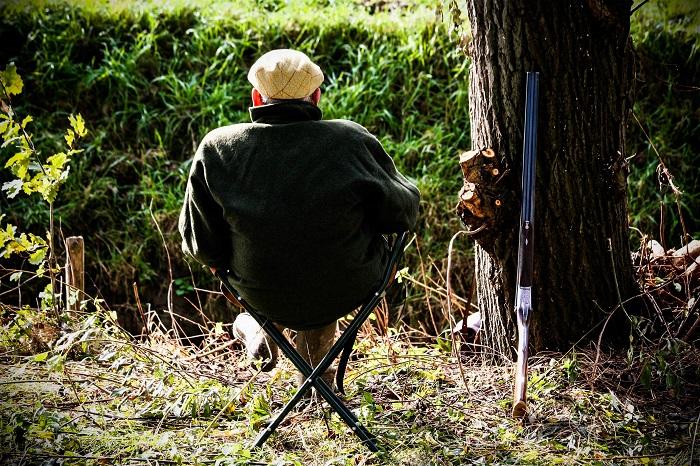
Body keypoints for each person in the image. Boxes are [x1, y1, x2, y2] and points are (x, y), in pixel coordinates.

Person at [179, 49, 420, 387]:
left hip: (259, 289)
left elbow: (198, 239)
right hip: (347, 286)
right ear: (317, 96)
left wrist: (223, 266)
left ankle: (263, 328)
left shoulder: (217, 148)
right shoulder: (351, 141)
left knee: (285, 268)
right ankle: (314, 375)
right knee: (328, 262)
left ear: (257, 97)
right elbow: (404, 210)